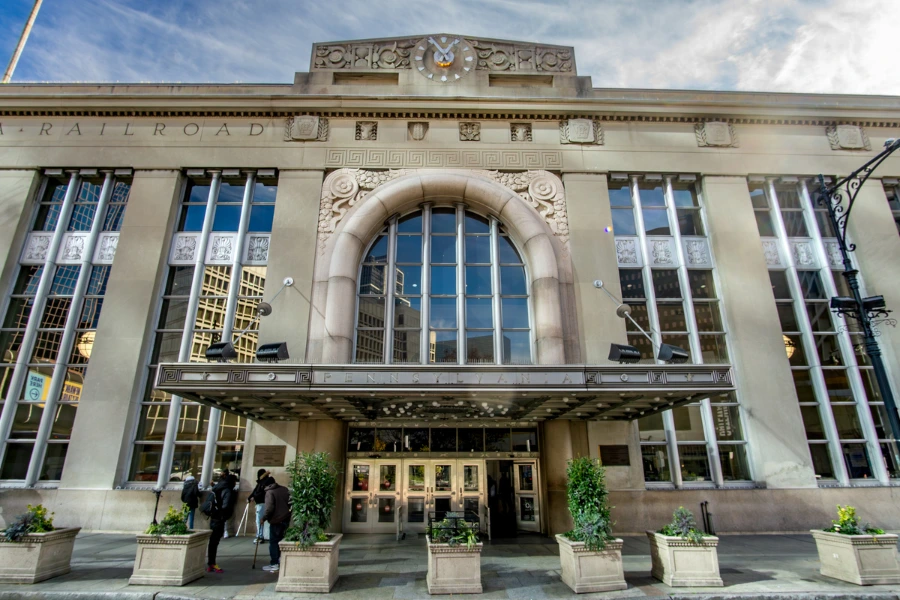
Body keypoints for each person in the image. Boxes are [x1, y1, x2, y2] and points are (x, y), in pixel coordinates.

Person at [205, 471, 235, 573]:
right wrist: (225, 514)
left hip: (214, 516)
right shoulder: (227, 490)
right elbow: (226, 506)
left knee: (213, 541)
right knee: (214, 541)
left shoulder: (217, 487)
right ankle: (212, 563)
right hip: (219, 518)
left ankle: (211, 563)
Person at [261, 474, 291, 573]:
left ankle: (274, 563)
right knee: (282, 541)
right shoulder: (284, 489)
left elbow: (269, 508)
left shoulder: (270, 492)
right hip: (285, 519)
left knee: (274, 542)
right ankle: (281, 560)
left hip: (276, 520)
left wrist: (264, 518)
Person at [248, 469, 271, 544]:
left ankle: (260, 536)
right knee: (260, 520)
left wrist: (254, 497)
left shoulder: (264, 482)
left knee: (260, 520)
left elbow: (260, 492)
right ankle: (261, 536)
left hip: (262, 503)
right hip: (262, 503)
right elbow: (255, 491)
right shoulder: (261, 483)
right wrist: (250, 497)